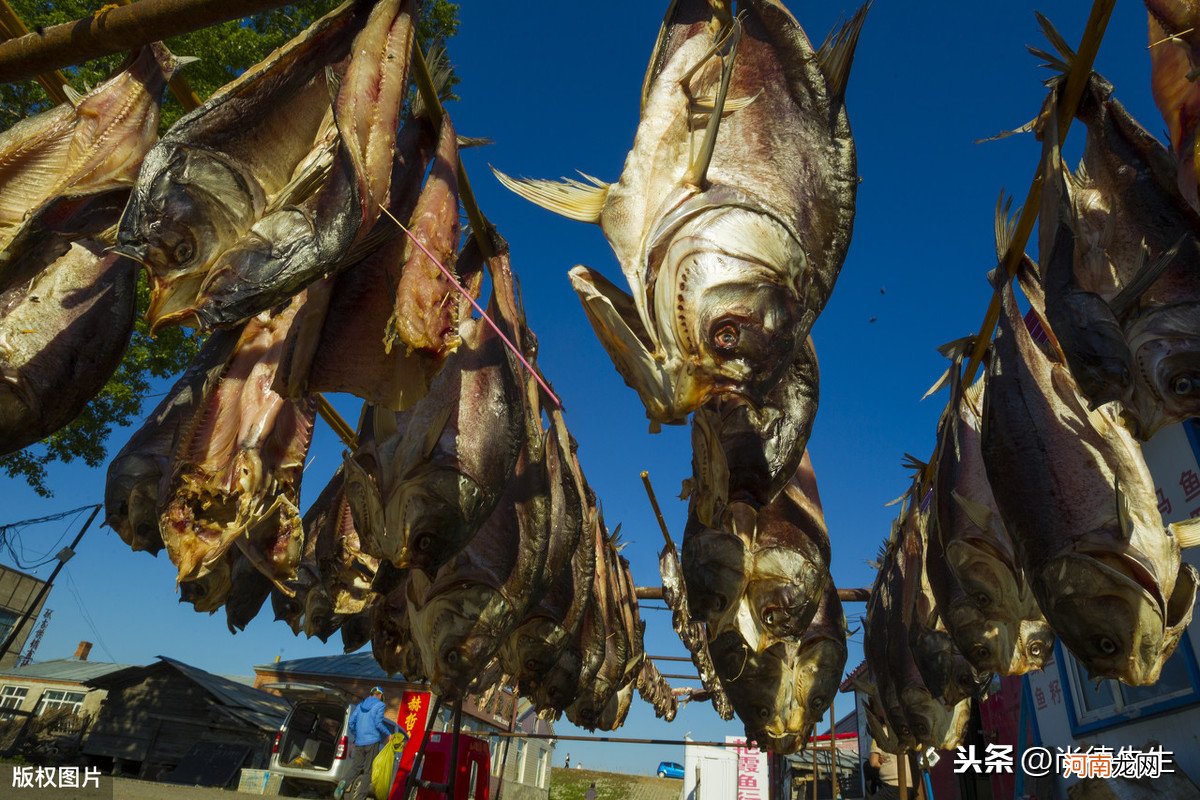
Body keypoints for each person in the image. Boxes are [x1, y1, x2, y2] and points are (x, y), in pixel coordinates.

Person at [341, 687, 393, 800]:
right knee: (368, 772)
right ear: (380, 695)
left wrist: (356, 734)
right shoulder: (380, 705)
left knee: (355, 767)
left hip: (359, 742)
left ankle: (343, 783)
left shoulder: (360, 705)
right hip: (372, 741)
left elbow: (351, 722)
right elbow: (378, 723)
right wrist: (389, 734)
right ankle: (360, 797)